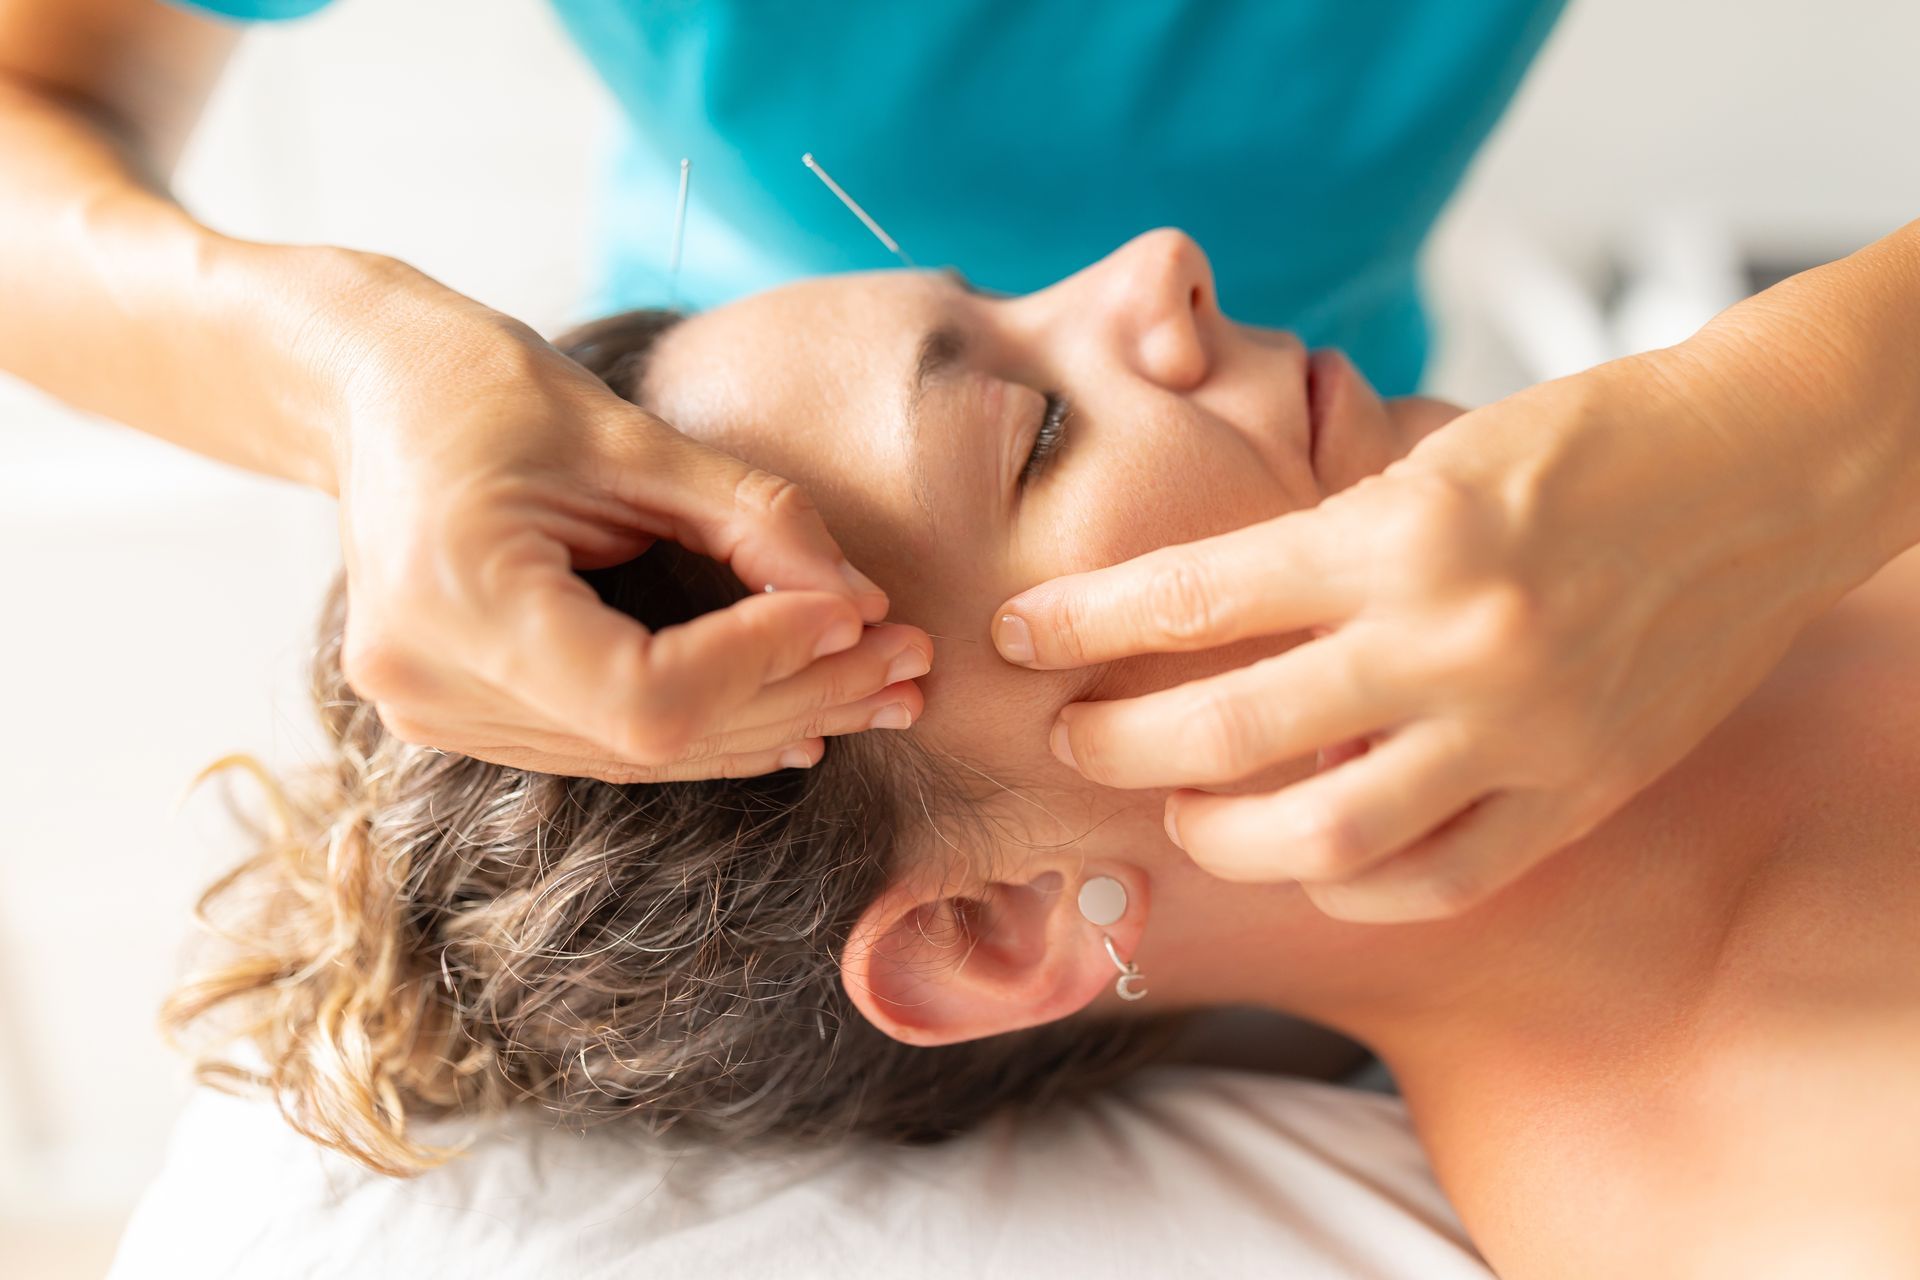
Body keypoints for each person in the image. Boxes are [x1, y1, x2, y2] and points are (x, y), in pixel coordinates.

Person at [164, 236, 1920, 1274]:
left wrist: (1799, 426)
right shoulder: (1782, 1199)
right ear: (992, 927)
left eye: (1013, 296)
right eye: (1037, 432)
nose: (1162, 267)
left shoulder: (1777, 444)